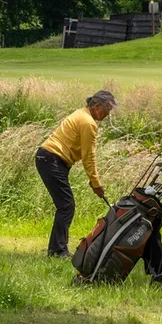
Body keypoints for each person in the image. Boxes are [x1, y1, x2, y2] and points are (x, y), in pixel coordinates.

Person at [36, 90, 116, 258]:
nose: (107, 115)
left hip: (48, 158)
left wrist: (93, 181)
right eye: (106, 111)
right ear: (96, 106)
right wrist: (96, 183)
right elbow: (89, 156)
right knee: (66, 205)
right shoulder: (88, 123)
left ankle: (56, 249)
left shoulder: (82, 114)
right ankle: (58, 251)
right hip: (52, 159)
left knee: (65, 205)